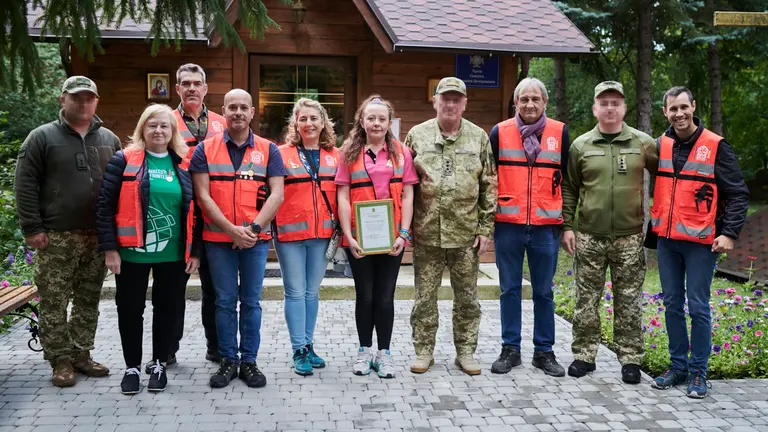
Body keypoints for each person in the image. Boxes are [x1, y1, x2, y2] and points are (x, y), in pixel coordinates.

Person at [14, 76, 120, 387]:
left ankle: (81, 353)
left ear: (96, 101)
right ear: (63, 100)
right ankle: (59, 359)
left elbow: (120, 188)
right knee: (54, 300)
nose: (83, 103)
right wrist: (32, 228)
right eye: (76, 97)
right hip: (56, 236)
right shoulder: (41, 138)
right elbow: (24, 185)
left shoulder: (109, 139)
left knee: (88, 299)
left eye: (89, 98)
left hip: (97, 236)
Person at [649, 87, 749, 398]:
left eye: (684, 107)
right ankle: (677, 367)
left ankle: (698, 373)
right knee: (671, 305)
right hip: (667, 241)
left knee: (699, 307)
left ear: (694, 106)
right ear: (665, 112)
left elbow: (738, 193)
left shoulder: (716, 146)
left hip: (702, 243)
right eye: (672, 109)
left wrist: (729, 233)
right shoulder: (659, 145)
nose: (679, 114)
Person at [97, 104, 202, 394]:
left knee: (166, 310)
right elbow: (105, 207)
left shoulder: (183, 163)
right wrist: (110, 249)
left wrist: (195, 252)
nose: (158, 130)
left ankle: (158, 364)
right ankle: (132, 367)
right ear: (142, 128)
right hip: (131, 253)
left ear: (173, 131)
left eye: (164, 126)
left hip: (172, 254)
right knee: (130, 309)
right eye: (152, 125)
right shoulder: (124, 160)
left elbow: (196, 210)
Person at [561, 81, 658, 384]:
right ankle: (584, 355)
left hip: (629, 237)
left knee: (628, 300)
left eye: (616, 102)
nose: (610, 108)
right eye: (604, 103)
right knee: (586, 299)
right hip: (589, 236)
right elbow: (570, 188)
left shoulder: (643, 143)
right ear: (595, 108)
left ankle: (630, 359)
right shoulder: (581, 145)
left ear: (624, 108)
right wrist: (566, 226)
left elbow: (666, 178)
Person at [190, 89, 286, 389]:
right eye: (232, 107)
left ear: (253, 112)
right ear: (223, 110)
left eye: (244, 107)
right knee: (224, 301)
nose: (238, 113)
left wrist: (253, 231)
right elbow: (202, 196)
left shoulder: (269, 150)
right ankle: (228, 360)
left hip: (255, 241)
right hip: (218, 240)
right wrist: (232, 230)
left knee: (251, 302)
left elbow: (277, 194)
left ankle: (249, 361)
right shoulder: (205, 149)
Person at [406, 77, 497, 376]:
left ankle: (466, 352)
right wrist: (405, 228)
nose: (450, 103)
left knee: (468, 298)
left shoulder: (479, 137)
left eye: (456, 99)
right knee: (424, 299)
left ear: (465, 103)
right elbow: (405, 186)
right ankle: (423, 351)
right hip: (427, 232)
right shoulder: (416, 136)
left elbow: (490, 185)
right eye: (445, 98)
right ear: (434, 101)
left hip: (465, 235)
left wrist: (485, 229)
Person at [489, 77, 569, 377]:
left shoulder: (560, 132)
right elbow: (489, 178)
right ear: (515, 103)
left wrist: (568, 224)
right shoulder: (500, 132)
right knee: (509, 289)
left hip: (545, 227)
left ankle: (544, 351)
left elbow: (569, 181)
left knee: (544, 292)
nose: (530, 104)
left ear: (545, 102)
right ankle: (510, 349)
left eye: (535, 99)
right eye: (524, 99)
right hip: (508, 225)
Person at [336, 95, 417, 378]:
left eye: (382, 118)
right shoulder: (347, 153)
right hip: (358, 239)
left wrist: (404, 234)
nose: (376, 123)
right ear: (362, 120)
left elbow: (408, 194)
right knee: (365, 296)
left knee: (385, 298)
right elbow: (343, 195)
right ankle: (363, 351)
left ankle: (384, 354)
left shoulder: (401, 153)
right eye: (371, 118)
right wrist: (348, 235)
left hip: (392, 238)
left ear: (389, 122)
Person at [161, 63, 227, 372]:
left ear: (205, 88)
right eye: (185, 83)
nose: (191, 88)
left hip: (214, 213)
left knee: (215, 289)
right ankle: (168, 350)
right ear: (176, 88)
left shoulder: (221, 123)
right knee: (174, 288)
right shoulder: (167, 122)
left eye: (196, 83)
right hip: (179, 215)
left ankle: (216, 347)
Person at [274, 98, 340, 376]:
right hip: (289, 234)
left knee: (312, 293)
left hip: (323, 233)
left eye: (314, 118)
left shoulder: (335, 155)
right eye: (303, 119)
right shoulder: (280, 153)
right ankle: (298, 348)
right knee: (295, 292)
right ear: (295, 123)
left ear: (323, 122)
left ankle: (309, 345)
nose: (309, 123)